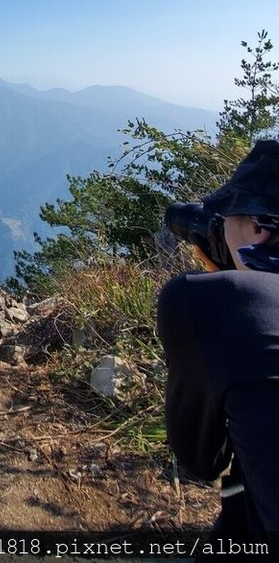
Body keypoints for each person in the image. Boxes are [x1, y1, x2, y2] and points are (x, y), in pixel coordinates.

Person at [157, 139, 279, 537]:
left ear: (257, 228)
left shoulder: (208, 305)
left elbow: (202, 460)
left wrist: (231, 282)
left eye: (226, 215)